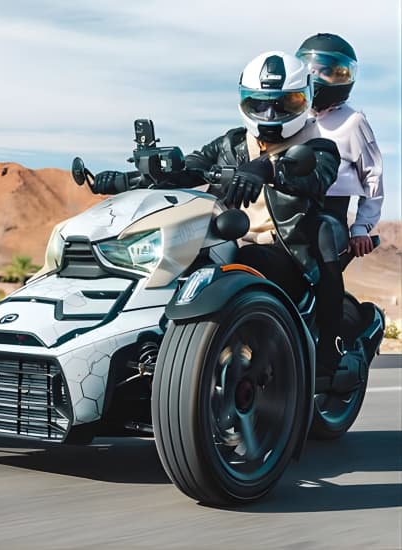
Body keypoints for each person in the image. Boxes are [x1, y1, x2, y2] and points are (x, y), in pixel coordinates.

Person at [92, 51, 365, 391]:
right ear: (244, 101)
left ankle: (329, 353)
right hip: (225, 242)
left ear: (305, 98)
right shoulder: (233, 143)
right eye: (259, 104)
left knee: (259, 255)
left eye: (284, 104)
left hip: (289, 255)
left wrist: (266, 168)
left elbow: (315, 177)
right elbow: (188, 169)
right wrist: (125, 179)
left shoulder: (321, 146)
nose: (270, 114)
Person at [295, 33, 384, 258]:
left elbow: (373, 176)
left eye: (326, 71)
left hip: (329, 215)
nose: (316, 76)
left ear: (343, 76)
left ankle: (331, 294)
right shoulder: (294, 117)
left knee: (323, 266)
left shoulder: (353, 122)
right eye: (310, 69)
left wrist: (361, 226)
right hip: (287, 213)